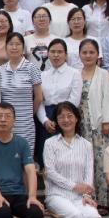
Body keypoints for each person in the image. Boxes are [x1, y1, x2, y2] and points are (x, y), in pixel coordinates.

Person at [43, 102, 101, 218]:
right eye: (61, 117)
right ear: (56, 120)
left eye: (70, 116)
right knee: (74, 215)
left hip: (79, 196)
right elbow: (50, 172)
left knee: (93, 215)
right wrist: (74, 186)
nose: (66, 120)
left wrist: (87, 195)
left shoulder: (86, 145)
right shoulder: (50, 143)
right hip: (56, 195)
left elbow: (88, 172)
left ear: (77, 119)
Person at [78, 39, 109, 209]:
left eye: (91, 52)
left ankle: (102, 201)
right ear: (79, 55)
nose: (88, 55)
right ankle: (86, 198)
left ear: (97, 55)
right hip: (80, 124)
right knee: (83, 163)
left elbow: (108, 98)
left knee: (100, 162)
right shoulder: (75, 73)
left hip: (98, 124)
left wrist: (107, 120)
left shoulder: (103, 74)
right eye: (85, 52)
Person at [0, 33, 43, 155]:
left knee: (25, 158)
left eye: (18, 44)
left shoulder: (32, 68)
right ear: (6, 47)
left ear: (23, 48)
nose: (14, 47)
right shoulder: (0, 70)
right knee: (5, 156)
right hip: (4, 122)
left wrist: (28, 114)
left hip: (25, 123)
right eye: (11, 44)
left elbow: (38, 97)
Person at [39, 39, 82, 167]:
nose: (56, 55)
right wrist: (44, 120)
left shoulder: (74, 73)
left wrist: (61, 119)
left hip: (68, 117)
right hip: (47, 119)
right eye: (52, 52)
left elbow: (75, 100)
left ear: (66, 55)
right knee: (48, 158)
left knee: (68, 157)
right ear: (48, 54)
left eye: (60, 52)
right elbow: (39, 100)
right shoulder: (43, 75)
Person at [24, 6, 59, 70]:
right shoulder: (25, 40)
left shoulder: (57, 40)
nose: (41, 19)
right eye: (38, 17)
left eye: (44, 16)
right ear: (32, 21)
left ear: (50, 20)